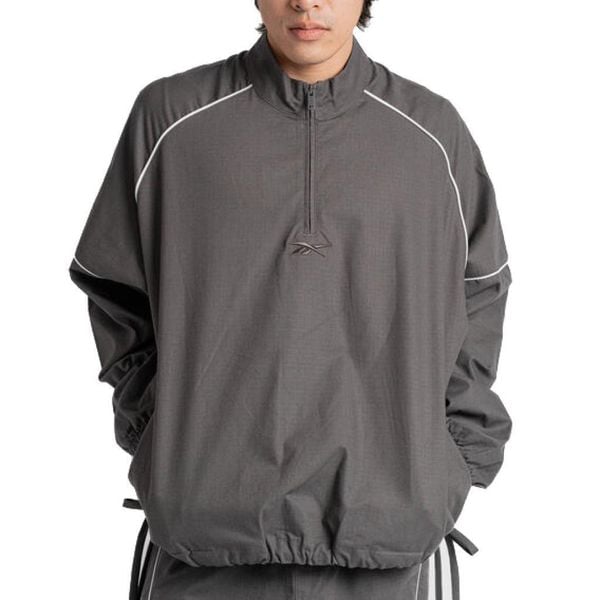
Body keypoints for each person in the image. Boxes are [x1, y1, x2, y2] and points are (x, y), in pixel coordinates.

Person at [68, 1, 513, 598]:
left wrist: (451, 458)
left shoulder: (431, 132)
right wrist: (159, 435)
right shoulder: (171, 117)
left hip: (386, 533)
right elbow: (114, 285)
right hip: (204, 535)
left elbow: (480, 291)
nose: (307, 1)